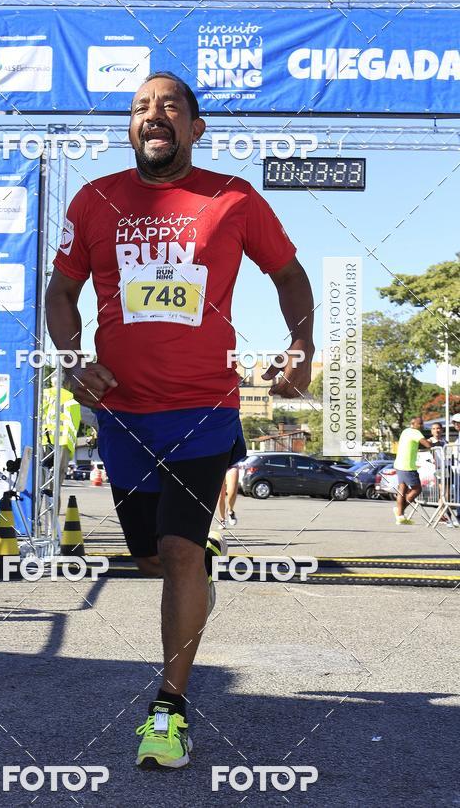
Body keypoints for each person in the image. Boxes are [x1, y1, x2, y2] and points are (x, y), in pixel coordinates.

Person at [45, 71, 314, 769]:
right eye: (140, 107)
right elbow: (62, 292)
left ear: (196, 128)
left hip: (204, 408)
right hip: (124, 416)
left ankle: (168, 710)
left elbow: (288, 275)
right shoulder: (95, 199)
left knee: (184, 551)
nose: (153, 114)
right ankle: (192, 584)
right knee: (153, 559)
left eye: (170, 106)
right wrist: (74, 359)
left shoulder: (233, 198)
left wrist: (301, 344)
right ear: (131, 128)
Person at [393, 417, 432, 525]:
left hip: (399, 464)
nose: (421, 426)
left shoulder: (406, 431)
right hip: (408, 466)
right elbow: (427, 445)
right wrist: (432, 443)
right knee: (417, 489)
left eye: (422, 423)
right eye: (420, 424)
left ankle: (400, 516)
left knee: (402, 489)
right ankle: (399, 511)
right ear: (413, 423)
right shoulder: (415, 432)